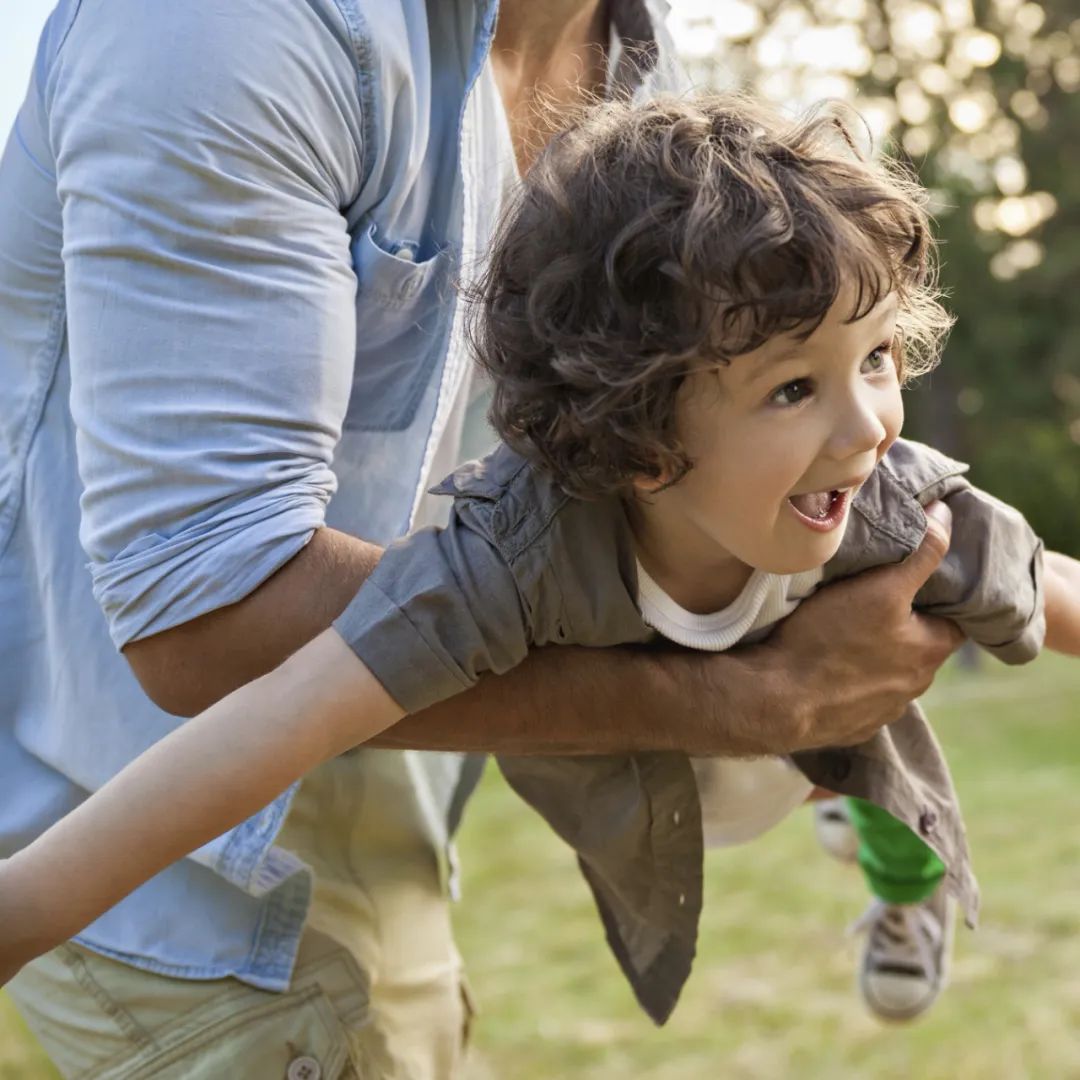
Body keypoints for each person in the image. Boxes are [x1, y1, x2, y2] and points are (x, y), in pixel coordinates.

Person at [0, 2, 967, 1075]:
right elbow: (211, 615)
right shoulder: (229, 28)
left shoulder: (645, 82)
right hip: (172, 882)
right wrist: (745, 699)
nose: (871, 423)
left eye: (878, 363)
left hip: (388, 809)